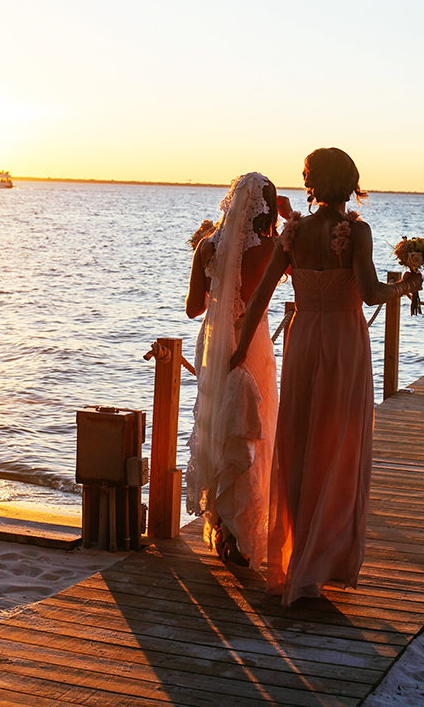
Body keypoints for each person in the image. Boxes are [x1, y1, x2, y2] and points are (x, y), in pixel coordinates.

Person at [230, 148, 422, 605]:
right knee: (341, 444)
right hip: (342, 342)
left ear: (315, 183)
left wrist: (238, 351)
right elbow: (372, 292)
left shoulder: (294, 232)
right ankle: (322, 557)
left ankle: (301, 558)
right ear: (350, 181)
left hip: (303, 340)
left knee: (300, 443)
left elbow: (259, 295)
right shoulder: (355, 231)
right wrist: (406, 286)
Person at [185, 172, 288, 569]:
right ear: (266, 207)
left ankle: (224, 528)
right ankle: (243, 532)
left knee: (219, 427)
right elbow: (274, 290)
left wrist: (216, 281)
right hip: (252, 342)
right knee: (252, 428)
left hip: (214, 345)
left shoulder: (207, 247)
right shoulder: (273, 247)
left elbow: (194, 308)